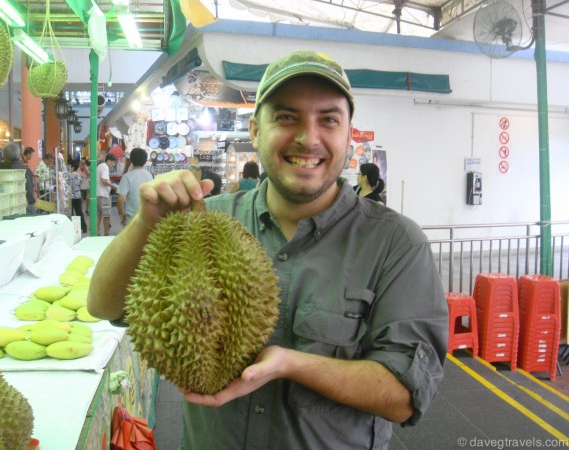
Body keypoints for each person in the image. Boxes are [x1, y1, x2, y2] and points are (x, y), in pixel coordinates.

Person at [87, 50, 448, 450]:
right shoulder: (201, 221)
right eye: (286, 117)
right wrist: (145, 222)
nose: (308, 138)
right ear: (256, 131)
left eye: (328, 119)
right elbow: (103, 305)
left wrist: (293, 364)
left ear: (348, 135)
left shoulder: (396, 244)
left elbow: (405, 395)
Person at [116, 148, 153, 225]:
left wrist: (121, 213)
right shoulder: (149, 175)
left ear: (131, 160)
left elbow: (120, 199)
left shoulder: (127, 177)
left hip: (132, 218)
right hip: (147, 216)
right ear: (145, 161)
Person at [0, 142, 36, 214]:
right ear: (19, 155)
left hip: (4, 206)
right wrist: (31, 202)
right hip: (23, 205)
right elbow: (29, 188)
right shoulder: (24, 169)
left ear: (5, 156)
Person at [96, 154, 118, 236]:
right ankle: (106, 234)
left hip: (97, 194)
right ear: (108, 161)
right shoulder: (105, 167)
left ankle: (96, 233)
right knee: (106, 215)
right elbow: (103, 180)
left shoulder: (100, 166)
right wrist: (113, 186)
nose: (113, 164)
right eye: (113, 162)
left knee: (98, 215)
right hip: (103, 195)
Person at [68, 161, 88, 233]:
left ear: (72, 167)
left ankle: (72, 228)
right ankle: (84, 227)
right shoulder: (80, 176)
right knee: (79, 212)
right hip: (78, 195)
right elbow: (80, 184)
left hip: (71, 196)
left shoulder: (69, 175)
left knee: (71, 212)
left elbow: (68, 184)